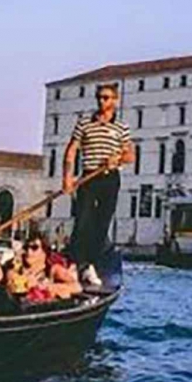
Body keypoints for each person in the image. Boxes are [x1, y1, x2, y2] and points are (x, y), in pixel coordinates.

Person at [62, 82, 134, 286]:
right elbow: (71, 150)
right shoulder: (84, 123)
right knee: (83, 219)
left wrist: (117, 159)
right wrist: (67, 178)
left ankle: (90, 264)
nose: (102, 101)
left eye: (107, 97)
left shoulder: (121, 128)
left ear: (115, 100)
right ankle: (76, 262)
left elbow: (130, 155)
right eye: (100, 97)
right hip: (89, 176)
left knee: (102, 222)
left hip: (110, 178)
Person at [4, 232, 82, 306]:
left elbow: (77, 287)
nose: (29, 251)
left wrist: (48, 287)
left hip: (46, 311)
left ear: (44, 251)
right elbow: (10, 283)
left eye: (34, 248)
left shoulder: (53, 269)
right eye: (26, 247)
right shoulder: (17, 266)